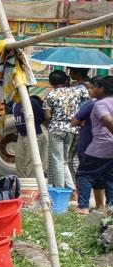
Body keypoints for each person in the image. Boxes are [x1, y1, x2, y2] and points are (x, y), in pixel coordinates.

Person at [74, 76, 113, 213]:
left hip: (100, 147)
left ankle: (83, 207)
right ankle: (110, 209)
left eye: (94, 87)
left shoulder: (100, 104)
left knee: (84, 174)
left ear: (101, 89)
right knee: (110, 178)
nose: (92, 90)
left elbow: (107, 120)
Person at [44, 70, 79, 192]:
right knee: (64, 161)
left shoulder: (51, 94)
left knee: (57, 161)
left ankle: (60, 189)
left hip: (56, 129)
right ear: (65, 80)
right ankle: (71, 188)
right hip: (71, 129)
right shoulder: (74, 92)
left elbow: (47, 116)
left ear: (51, 82)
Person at [13, 93, 48, 178]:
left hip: (33, 134)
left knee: (31, 162)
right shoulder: (15, 103)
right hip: (21, 135)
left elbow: (41, 118)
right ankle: (22, 183)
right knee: (19, 160)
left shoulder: (32, 102)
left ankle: (31, 185)